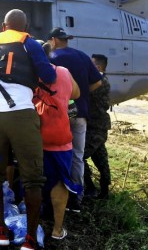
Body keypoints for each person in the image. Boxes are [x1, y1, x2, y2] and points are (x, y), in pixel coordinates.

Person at [0, 9, 56, 250]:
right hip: (21, 114)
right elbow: (49, 75)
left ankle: (1, 231)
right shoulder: (29, 42)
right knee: (32, 177)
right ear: (25, 28)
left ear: (5, 27)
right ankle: (30, 240)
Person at [48, 27, 102, 213]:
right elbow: (98, 82)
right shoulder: (82, 56)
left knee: (54, 152)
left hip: (58, 114)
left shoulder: (51, 58)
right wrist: (82, 94)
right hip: (80, 113)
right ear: (66, 40)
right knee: (77, 156)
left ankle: (55, 195)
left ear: (53, 40)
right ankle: (76, 198)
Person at [35, 41, 82, 241]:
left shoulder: (25, 76)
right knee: (60, 183)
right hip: (61, 137)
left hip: (34, 137)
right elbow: (76, 94)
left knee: (34, 181)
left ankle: (33, 226)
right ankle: (57, 229)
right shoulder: (63, 71)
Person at [84, 54, 112, 199]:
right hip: (96, 126)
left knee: (79, 157)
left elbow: (85, 92)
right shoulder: (100, 80)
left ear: (98, 67)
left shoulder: (100, 82)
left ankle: (90, 188)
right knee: (100, 158)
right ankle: (104, 191)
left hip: (96, 127)